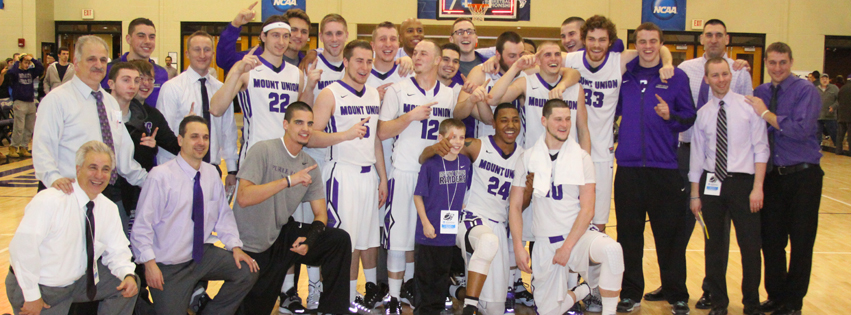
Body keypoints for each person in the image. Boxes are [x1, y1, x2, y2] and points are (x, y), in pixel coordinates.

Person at [649, 18, 753, 309]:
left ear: (727, 39)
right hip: (684, 154)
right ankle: (672, 283)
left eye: (719, 35)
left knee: (713, 230)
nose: (714, 39)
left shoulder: (740, 72)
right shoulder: (687, 70)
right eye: (709, 35)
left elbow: (747, 113)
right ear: (702, 38)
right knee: (677, 224)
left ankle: (711, 289)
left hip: (718, 162)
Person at [232, 102, 352, 315]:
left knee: (338, 240)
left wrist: (311, 239)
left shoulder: (309, 165)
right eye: (299, 122)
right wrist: (288, 180)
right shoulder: (263, 150)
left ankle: (332, 310)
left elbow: (321, 214)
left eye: (309, 124)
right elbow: (242, 198)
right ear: (286, 124)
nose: (305, 128)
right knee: (253, 308)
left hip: (281, 238)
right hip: (251, 244)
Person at [130, 115, 256, 315]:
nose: (201, 143)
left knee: (247, 269)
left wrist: (236, 246)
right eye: (194, 137)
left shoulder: (212, 173)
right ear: (180, 140)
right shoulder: (160, 176)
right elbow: (142, 226)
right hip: (169, 266)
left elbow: (223, 216)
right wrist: (149, 264)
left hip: (201, 256)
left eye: (205, 137)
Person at [509, 99, 624, 315]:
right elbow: (514, 207)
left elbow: (588, 209)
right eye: (558, 119)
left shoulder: (582, 158)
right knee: (548, 311)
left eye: (568, 119)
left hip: (578, 237)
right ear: (544, 121)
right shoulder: (527, 158)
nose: (564, 124)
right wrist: (518, 246)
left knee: (612, 250)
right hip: (545, 242)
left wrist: (567, 248)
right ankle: (584, 289)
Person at [614, 22, 696, 315]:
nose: (647, 47)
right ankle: (630, 293)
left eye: (653, 41)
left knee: (670, 237)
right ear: (635, 44)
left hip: (664, 169)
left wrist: (669, 115)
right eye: (642, 41)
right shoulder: (624, 76)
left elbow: (688, 117)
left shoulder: (676, 77)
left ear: (660, 44)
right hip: (628, 170)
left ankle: (677, 294)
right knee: (628, 237)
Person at [6, 141, 139, 315]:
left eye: (105, 169)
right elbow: (22, 250)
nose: (99, 175)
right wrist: (31, 296)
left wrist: (127, 274)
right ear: (78, 169)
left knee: (128, 282)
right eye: (93, 167)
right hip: (41, 287)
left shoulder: (108, 208)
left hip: (77, 283)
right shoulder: (51, 200)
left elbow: (117, 250)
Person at [32, 35, 148, 234]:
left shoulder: (110, 103)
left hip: (105, 193)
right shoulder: (57, 100)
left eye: (103, 60)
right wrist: (52, 179)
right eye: (91, 59)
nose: (98, 65)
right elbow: (43, 146)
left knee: (112, 254)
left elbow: (121, 152)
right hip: (67, 194)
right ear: (76, 63)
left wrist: (149, 180)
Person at [419, 103, 526, 315]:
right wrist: (431, 150)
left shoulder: (524, 157)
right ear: (493, 124)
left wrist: (529, 190)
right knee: (486, 242)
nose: (510, 125)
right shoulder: (476, 145)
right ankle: (470, 307)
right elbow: (426, 158)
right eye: (504, 120)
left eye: (515, 120)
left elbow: (517, 206)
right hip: (469, 217)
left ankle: (457, 290)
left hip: (497, 225)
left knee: (495, 308)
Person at [378, 40, 458, 312]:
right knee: (399, 238)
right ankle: (393, 296)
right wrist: (410, 117)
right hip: (405, 171)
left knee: (434, 238)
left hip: (438, 177)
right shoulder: (398, 90)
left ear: (437, 60)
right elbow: (381, 132)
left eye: (424, 52)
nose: (417, 56)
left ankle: (422, 291)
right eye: (415, 52)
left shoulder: (449, 94)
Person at [310, 40, 388, 312]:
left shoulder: (373, 95)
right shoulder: (329, 94)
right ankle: (343, 297)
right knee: (346, 241)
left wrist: (383, 178)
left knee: (367, 240)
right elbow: (311, 137)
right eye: (359, 61)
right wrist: (344, 134)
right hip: (341, 174)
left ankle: (360, 293)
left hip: (368, 176)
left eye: (369, 61)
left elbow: (375, 139)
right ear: (346, 61)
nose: (364, 67)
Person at [689, 57, 768, 315]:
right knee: (714, 247)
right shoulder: (702, 115)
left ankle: (751, 304)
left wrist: (758, 187)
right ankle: (719, 303)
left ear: (730, 76)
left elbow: (761, 149)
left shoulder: (749, 108)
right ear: (707, 79)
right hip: (712, 185)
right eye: (715, 75)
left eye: (724, 74)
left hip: (743, 185)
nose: (721, 79)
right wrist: (694, 194)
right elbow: (697, 157)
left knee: (750, 246)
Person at [749, 42, 823, 315]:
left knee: (801, 241)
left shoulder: (806, 91)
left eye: (782, 62)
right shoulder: (761, 92)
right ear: (766, 63)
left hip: (803, 176)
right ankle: (776, 295)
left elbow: (801, 129)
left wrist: (766, 113)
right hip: (772, 177)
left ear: (791, 62)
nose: (777, 68)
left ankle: (794, 302)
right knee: (771, 240)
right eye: (772, 63)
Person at [210, 16, 310, 165]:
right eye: (275, 35)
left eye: (285, 36)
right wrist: (237, 72)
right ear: (263, 36)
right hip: (255, 156)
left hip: (287, 157)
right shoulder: (245, 68)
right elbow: (216, 109)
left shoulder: (297, 74)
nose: (281, 42)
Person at [156, 30, 239, 188]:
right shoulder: (172, 88)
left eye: (207, 50)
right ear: (187, 53)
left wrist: (232, 170)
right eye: (197, 49)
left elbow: (228, 131)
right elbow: (164, 136)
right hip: (179, 168)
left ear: (213, 53)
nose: (202, 54)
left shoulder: (222, 89)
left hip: (212, 170)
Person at [412, 119, 473, 315]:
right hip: (428, 232)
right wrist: (425, 223)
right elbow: (417, 196)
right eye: (452, 137)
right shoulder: (430, 165)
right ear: (441, 138)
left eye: (461, 137)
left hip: (448, 232)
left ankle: (437, 310)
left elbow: (465, 191)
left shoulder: (465, 163)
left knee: (441, 277)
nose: (457, 142)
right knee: (425, 279)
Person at [218, 3, 312, 71]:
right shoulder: (255, 56)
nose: (299, 36)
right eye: (294, 30)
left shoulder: (307, 64)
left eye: (304, 32)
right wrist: (235, 25)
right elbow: (224, 61)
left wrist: (314, 52)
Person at [101, 18, 169, 107]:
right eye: (141, 36)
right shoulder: (109, 70)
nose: (147, 41)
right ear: (128, 39)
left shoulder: (161, 73)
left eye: (151, 37)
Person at [7, 53, 43, 158]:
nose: (27, 65)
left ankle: (24, 147)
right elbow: (10, 72)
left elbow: (40, 68)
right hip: (20, 102)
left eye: (28, 63)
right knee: (19, 127)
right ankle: (13, 147)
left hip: (30, 101)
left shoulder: (31, 72)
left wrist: (32, 59)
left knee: (29, 127)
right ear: (20, 63)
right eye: (25, 63)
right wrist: (18, 61)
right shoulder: (15, 72)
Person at [817, 73, 839, 150]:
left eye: (826, 78)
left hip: (830, 115)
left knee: (833, 131)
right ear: (820, 80)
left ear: (828, 79)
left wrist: (834, 106)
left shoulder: (834, 88)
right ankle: (817, 147)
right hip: (818, 116)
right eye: (823, 78)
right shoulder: (816, 89)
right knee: (817, 132)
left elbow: (839, 100)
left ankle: (838, 146)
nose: (824, 80)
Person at [837, 81, 851, 155]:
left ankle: (838, 150)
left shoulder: (842, 88)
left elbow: (838, 99)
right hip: (850, 115)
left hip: (841, 115)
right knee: (850, 135)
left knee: (840, 135)